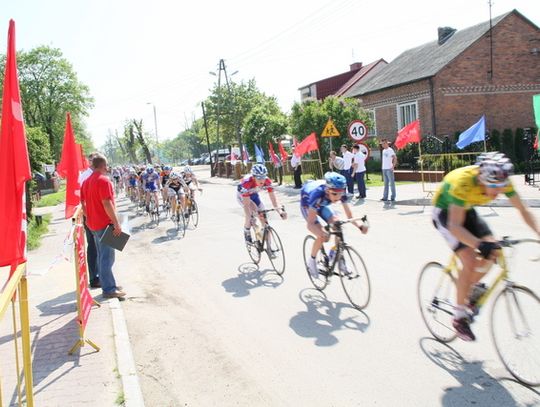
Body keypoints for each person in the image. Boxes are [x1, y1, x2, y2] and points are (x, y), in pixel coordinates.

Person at [432, 152, 540, 341]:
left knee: (495, 250)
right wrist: (478, 244)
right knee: (470, 260)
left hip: (467, 210)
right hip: (446, 213)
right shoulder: (463, 182)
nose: (499, 192)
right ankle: (459, 317)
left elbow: (523, 209)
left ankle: (469, 288)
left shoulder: (501, 179)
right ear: (482, 179)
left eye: (501, 187)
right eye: (494, 188)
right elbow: (455, 226)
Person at [301, 172, 368, 279]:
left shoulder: (339, 191)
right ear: (327, 190)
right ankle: (312, 260)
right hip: (308, 205)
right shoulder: (317, 194)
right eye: (335, 194)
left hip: (323, 204)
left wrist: (360, 226)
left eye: (340, 194)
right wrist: (322, 232)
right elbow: (310, 224)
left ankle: (337, 255)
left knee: (337, 225)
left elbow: (349, 215)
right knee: (324, 236)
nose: (338, 197)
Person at [80, 153, 125, 299]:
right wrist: (117, 223)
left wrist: (88, 219)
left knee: (101, 256)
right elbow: (107, 203)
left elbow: (83, 204)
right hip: (105, 224)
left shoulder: (86, 182)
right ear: (104, 166)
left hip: (93, 224)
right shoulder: (104, 181)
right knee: (107, 258)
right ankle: (109, 289)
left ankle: (108, 283)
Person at [237, 164, 286, 243]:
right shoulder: (246, 182)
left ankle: (269, 248)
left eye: (263, 177)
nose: (262, 180)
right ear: (253, 177)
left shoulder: (267, 181)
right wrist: (249, 215)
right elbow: (246, 205)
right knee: (252, 213)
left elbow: (274, 199)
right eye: (259, 178)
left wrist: (280, 211)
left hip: (254, 195)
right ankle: (247, 231)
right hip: (243, 197)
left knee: (264, 220)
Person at [79, 153, 99, 288]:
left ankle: (104, 276)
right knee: (94, 246)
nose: (94, 162)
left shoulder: (100, 175)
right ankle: (95, 277)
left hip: (101, 215)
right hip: (92, 216)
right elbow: (82, 199)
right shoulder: (85, 176)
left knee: (105, 247)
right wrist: (87, 217)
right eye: (92, 160)